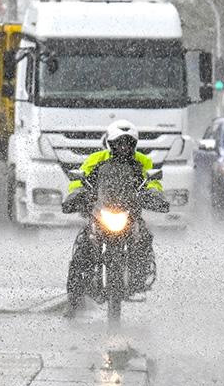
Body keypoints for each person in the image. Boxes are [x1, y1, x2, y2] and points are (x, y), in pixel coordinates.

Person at [62, 120, 165, 315]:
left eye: (128, 143)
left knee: (143, 238)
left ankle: (139, 276)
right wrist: (76, 195)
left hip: (129, 213)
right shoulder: (97, 159)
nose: (123, 147)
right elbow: (79, 179)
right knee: (83, 247)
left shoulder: (143, 161)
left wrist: (156, 196)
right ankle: (74, 299)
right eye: (119, 142)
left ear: (134, 144)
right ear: (110, 143)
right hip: (102, 211)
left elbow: (152, 183)